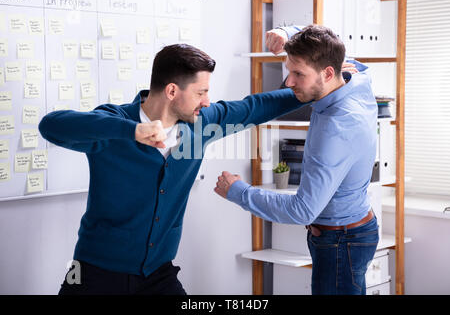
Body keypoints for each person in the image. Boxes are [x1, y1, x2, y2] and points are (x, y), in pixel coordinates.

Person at [39, 43, 311, 295]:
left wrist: (316, 84)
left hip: (158, 275)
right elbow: (51, 126)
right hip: (92, 271)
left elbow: (256, 107)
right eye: (201, 92)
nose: (206, 101)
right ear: (172, 91)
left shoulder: (202, 125)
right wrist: (131, 131)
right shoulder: (114, 124)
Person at [214, 25, 379, 295]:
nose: (288, 83)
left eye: (298, 74)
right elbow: (328, 41)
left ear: (327, 73)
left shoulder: (336, 128)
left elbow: (303, 210)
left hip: (340, 240)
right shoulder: (356, 77)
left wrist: (239, 192)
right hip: (354, 231)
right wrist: (287, 32)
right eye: (289, 71)